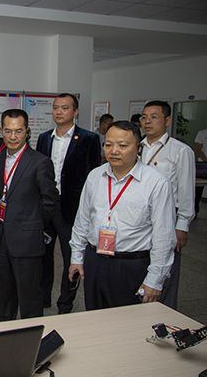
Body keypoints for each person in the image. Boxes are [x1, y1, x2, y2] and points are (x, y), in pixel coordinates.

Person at [68, 121, 177, 310]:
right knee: (94, 317)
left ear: (138, 147)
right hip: (95, 260)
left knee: (129, 322)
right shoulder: (95, 176)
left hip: (130, 265)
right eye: (108, 145)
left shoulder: (156, 183)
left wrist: (155, 280)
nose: (114, 151)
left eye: (123, 145)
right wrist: (76, 257)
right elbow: (82, 220)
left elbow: (164, 236)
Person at [36, 93, 101, 314]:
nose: (59, 112)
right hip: (46, 205)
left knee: (71, 256)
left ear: (75, 111)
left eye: (64, 108)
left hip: (71, 208)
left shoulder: (88, 139)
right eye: (55, 108)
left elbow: (94, 178)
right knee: (43, 255)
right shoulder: (44, 138)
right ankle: (43, 297)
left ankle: (66, 302)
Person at [0, 109, 58, 320]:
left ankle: (32, 336)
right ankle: (5, 333)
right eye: (8, 131)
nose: (13, 137)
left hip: (27, 240)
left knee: (29, 297)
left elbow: (50, 201)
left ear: (27, 132)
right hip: (2, 238)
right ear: (1, 130)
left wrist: (33, 224)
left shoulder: (40, 161)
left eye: (18, 131)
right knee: (5, 296)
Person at [140, 101, 195, 310]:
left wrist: (182, 225)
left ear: (168, 120)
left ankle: (164, 313)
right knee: (143, 265)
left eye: (154, 117)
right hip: (140, 216)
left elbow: (186, 191)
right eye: (144, 117)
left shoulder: (180, 151)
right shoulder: (137, 147)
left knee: (166, 268)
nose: (148, 122)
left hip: (168, 216)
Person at [194, 123, 207, 215]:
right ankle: (195, 209)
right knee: (198, 188)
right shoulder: (202, 133)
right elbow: (199, 149)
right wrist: (206, 160)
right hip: (203, 164)